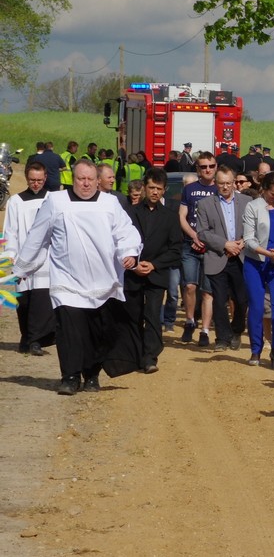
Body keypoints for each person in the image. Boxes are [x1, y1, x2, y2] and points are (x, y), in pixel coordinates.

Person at [13, 160, 143, 394]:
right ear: (73, 179)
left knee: (97, 332)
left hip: (103, 282)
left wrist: (129, 253)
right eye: (81, 179)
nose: (85, 184)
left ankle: (92, 375)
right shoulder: (56, 201)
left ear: (97, 181)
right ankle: (70, 377)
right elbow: (38, 236)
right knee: (70, 332)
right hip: (67, 281)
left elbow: (126, 232)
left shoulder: (110, 203)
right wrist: (22, 269)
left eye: (90, 179)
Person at [125, 167, 184, 373]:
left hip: (156, 274)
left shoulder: (170, 216)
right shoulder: (129, 213)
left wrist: (155, 264)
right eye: (151, 187)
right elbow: (120, 242)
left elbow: (176, 248)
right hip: (132, 272)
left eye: (159, 188)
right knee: (133, 315)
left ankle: (150, 357)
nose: (155, 192)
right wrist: (134, 264)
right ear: (144, 188)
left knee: (152, 315)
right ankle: (133, 354)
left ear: (165, 190)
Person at [196, 166, 252, 351]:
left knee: (242, 299)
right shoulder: (205, 204)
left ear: (235, 183)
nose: (225, 187)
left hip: (241, 257)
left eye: (228, 183)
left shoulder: (247, 201)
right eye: (221, 184)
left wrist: (241, 243)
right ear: (216, 183)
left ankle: (236, 330)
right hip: (217, 257)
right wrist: (225, 244)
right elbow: (202, 232)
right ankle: (222, 338)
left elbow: (254, 228)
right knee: (219, 300)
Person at [242, 171, 274, 367]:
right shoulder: (252, 207)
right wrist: (267, 253)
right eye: (273, 194)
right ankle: (255, 350)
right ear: (264, 190)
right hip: (256, 261)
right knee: (256, 305)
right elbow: (248, 239)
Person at [9, 160, 55, 356]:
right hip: (23, 257)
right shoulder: (16, 202)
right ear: (27, 178)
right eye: (32, 180)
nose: (36, 184)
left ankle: (36, 340)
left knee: (41, 300)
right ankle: (26, 336)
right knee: (25, 300)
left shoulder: (53, 199)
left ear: (45, 178)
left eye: (39, 180)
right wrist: (11, 254)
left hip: (45, 258)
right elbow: (11, 231)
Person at [177, 152, 219, 346]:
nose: (207, 170)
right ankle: (189, 321)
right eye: (203, 167)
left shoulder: (221, 189)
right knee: (190, 286)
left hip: (212, 247)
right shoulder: (190, 189)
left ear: (216, 166)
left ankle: (205, 330)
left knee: (207, 292)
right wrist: (194, 236)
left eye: (211, 166)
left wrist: (209, 240)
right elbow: (182, 216)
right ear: (197, 169)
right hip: (190, 244)